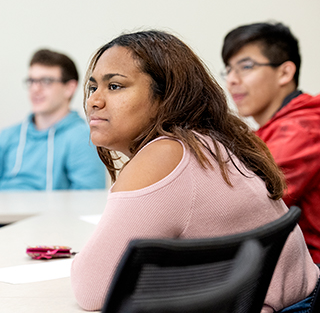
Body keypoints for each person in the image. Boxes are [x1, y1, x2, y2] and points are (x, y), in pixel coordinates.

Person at [70, 30, 319, 312]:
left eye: (114, 86)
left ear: (166, 97)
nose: (94, 101)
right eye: (92, 88)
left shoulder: (166, 153)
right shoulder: (210, 142)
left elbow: (92, 289)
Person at [221, 22, 320, 264]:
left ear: (285, 73)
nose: (232, 80)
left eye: (246, 67)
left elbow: (248, 206)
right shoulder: (272, 130)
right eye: (228, 70)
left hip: (311, 276)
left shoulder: (303, 127)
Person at [0, 49, 106, 190]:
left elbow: (88, 201)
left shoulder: (83, 139)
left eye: (46, 81)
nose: (35, 89)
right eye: (32, 81)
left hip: (51, 213)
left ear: (70, 88)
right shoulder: (8, 136)